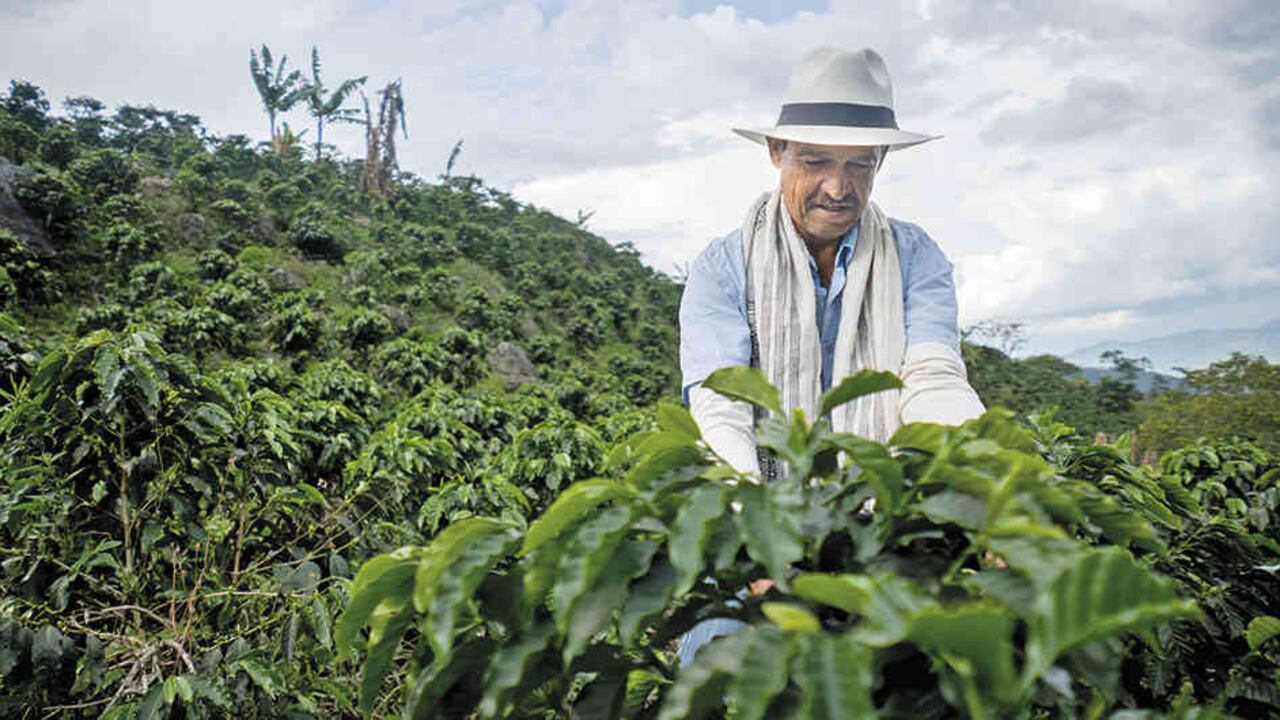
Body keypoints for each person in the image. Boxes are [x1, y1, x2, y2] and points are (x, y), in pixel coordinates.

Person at [675, 46, 984, 666]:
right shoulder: (724, 268)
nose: (838, 188)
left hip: (880, 525)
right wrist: (755, 538)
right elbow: (721, 410)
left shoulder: (914, 258)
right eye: (815, 161)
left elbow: (932, 375)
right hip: (757, 514)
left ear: (882, 162)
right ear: (776, 153)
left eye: (859, 165)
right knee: (719, 661)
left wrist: (990, 478)